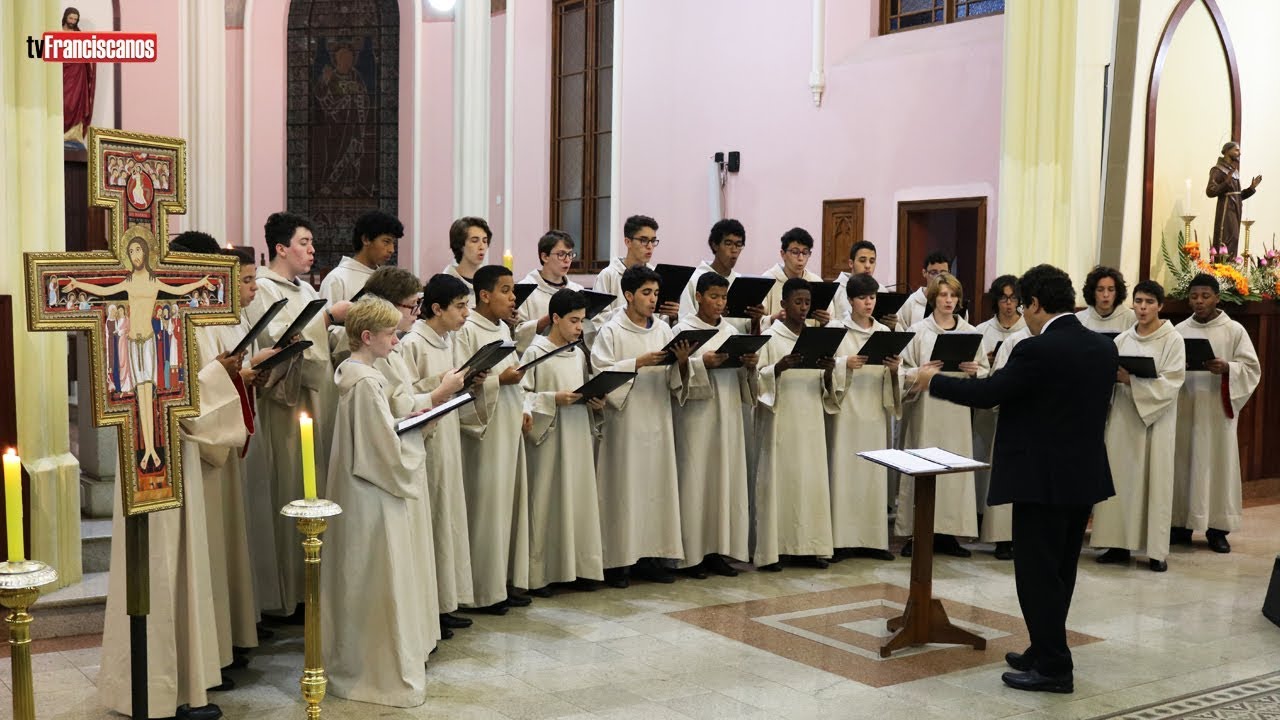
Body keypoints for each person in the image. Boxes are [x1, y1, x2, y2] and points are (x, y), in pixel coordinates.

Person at [910, 264, 1116, 694]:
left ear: (1036, 305)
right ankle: (1045, 648)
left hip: (1041, 479)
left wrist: (934, 382)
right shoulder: (1100, 347)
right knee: (1061, 571)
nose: (1021, 314)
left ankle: (1055, 667)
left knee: (1037, 574)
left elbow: (988, 395)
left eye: (1023, 305)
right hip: (1082, 476)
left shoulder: (1036, 349)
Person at [97, 233, 248, 720]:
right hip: (152, 449)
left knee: (176, 566)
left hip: (173, 451)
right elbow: (161, 385)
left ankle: (179, 684)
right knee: (159, 566)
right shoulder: (154, 315)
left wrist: (222, 375)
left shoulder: (177, 313)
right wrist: (223, 376)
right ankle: (156, 691)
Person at [322, 297, 433, 708]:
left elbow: (376, 435)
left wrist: (405, 423)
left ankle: (365, 661)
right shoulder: (366, 383)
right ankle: (376, 672)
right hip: (373, 493)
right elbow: (383, 452)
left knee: (364, 579)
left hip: (361, 488)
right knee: (377, 578)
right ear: (367, 337)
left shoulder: (356, 374)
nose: (396, 339)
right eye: (389, 334)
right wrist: (418, 431)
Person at [241, 212, 349, 619]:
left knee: (311, 487)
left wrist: (343, 331)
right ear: (281, 248)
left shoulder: (304, 290)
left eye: (312, 243)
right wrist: (326, 319)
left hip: (313, 401)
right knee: (287, 489)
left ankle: (310, 591)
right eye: (304, 242)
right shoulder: (264, 289)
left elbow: (319, 343)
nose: (312, 250)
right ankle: (284, 595)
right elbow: (272, 341)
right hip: (283, 406)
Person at [590, 264, 693, 587]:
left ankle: (652, 556)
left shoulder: (663, 330)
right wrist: (636, 363)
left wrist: (681, 362)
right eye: (646, 293)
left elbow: (677, 380)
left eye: (656, 294)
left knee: (655, 489)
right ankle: (618, 562)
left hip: (657, 418)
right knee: (625, 489)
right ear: (629, 294)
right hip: (626, 422)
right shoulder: (611, 330)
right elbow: (600, 374)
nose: (652, 300)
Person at [398, 275, 477, 635]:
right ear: (436, 308)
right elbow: (405, 395)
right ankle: (429, 610)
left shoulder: (448, 338)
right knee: (431, 521)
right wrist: (443, 384)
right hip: (426, 442)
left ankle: (445, 602)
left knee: (447, 519)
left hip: (447, 438)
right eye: (460, 306)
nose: (466, 313)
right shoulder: (414, 342)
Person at [1091, 280, 1185, 572]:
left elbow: (1172, 382)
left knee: (1154, 481)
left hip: (1156, 420)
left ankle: (1156, 552)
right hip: (1123, 418)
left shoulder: (1172, 339)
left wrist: (1133, 381)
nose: (1142, 308)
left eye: (1148, 302)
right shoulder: (1122, 340)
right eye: (1138, 301)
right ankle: (1117, 545)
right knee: (1121, 480)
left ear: (1160, 305)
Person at [455, 264, 532, 612]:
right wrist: (499, 382)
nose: (513, 297)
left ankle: (503, 579)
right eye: (505, 290)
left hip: (508, 424)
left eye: (513, 290)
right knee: (487, 508)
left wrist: (525, 403)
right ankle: (483, 590)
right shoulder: (467, 330)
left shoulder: (503, 328)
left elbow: (516, 376)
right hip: (483, 432)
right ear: (484, 295)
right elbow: (463, 381)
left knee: (508, 505)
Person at [520, 289, 607, 593]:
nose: (579, 328)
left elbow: (585, 389)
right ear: (555, 318)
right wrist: (552, 399)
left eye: (582, 321)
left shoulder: (580, 353)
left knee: (576, 501)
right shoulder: (535, 351)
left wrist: (595, 402)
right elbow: (522, 396)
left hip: (576, 435)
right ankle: (541, 574)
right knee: (546, 503)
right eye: (573, 321)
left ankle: (580, 567)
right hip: (548, 438)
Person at [672, 272, 757, 577]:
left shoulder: (731, 330)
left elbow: (747, 380)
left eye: (723, 298)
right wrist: (697, 363)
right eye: (714, 297)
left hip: (728, 412)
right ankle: (692, 554)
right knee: (697, 478)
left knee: (723, 480)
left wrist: (749, 365)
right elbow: (673, 371)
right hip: (696, 415)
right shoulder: (683, 329)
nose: (720, 303)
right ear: (698, 296)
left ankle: (718, 550)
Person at [897, 272, 986, 558]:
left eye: (953, 295)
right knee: (922, 463)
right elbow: (902, 371)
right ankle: (918, 533)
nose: (949, 300)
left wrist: (975, 371)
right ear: (934, 298)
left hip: (957, 411)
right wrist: (920, 372)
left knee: (954, 468)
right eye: (943, 295)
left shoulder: (971, 333)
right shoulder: (919, 330)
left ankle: (948, 534)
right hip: (926, 409)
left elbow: (984, 371)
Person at [1171, 273, 1261, 554]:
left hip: (1215, 410)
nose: (1199, 302)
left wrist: (1228, 368)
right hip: (1185, 407)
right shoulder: (1178, 330)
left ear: (1217, 298)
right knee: (1182, 466)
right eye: (1194, 296)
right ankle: (1180, 525)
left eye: (1205, 296)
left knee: (1217, 467)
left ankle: (1217, 529)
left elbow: (1251, 369)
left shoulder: (1234, 330)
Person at [754, 278, 837, 572]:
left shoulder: (817, 337)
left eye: (807, 303)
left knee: (810, 481)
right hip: (782, 419)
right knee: (783, 480)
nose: (803, 308)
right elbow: (756, 379)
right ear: (784, 305)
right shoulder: (771, 337)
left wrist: (828, 372)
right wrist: (779, 367)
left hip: (811, 418)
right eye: (798, 302)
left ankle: (810, 546)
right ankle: (776, 549)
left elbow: (830, 387)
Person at [826, 273, 900, 562]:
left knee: (873, 474)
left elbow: (898, 373)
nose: (868, 303)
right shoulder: (837, 330)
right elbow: (825, 365)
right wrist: (846, 363)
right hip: (846, 412)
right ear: (850, 300)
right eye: (862, 298)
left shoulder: (884, 332)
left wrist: (894, 370)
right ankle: (842, 541)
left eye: (872, 298)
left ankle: (873, 540)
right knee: (845, 473)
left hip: (874, 412)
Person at [972, 275, 1025, 560]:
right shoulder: (982, 330)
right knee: (984, 464)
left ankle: (1007, 532)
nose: (1008, 304)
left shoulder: (1029, 331)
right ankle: (982, 518)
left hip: (1014, 410)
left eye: (1014, 298)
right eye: (1004, 298)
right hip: (987, 411)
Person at [678, 219, 765, 333]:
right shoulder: (694, 279)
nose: (734, 250)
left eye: (739, 245)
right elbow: (686, 323)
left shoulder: (742, 282)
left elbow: (748, 329)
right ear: (715, 245)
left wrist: (755, 319)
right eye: (728, 243)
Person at [514, 230, 592, 354]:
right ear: (545, 257)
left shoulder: (577, 290)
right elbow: (516, 335)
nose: (567, 260)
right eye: (561, 254)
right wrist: (548, 319)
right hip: (537, 359)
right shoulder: (525, 289)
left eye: (570, 254)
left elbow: (587, 335)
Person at [594, 215, 674, 318]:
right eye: (644, 240)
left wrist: (672, 316)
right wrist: (634, 310)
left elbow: (660, 320)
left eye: (653, 241)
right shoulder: (608, 275)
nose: (650, 246)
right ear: (628, 242)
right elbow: (598, 319)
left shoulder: (656, 275)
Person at [319, 209, 403, 303]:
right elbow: (326, 317)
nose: (392, 250)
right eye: (386, 242)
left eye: (393, 243)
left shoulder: (385, 279)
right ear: (366, 239)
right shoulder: (337, 279)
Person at [760, 227, 828, 331]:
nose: (800, 258)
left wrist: (825, 321)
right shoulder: (767, 280)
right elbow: (753, 321)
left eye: (805, 253)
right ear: (783, 254)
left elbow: (832, 320)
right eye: (795, 252)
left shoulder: (816, 281)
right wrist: (773, 319)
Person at [1206, 142, 1262, 256]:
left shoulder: (1234, 171)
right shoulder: (1218, 170)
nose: (1239, 153)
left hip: (1235, 211)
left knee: (1234, 239)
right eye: (1236, 150)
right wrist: (1226, 182)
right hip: (1225, 212)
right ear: (1226, 151)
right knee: (1225, 240)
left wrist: (1251, 188)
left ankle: (1231, 271)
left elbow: (1237, 196)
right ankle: (1222, 269)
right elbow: (1210, 191)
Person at [831, 240, 895, 328]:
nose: (868, 266)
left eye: (872, 261)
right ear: (851, 263)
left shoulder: (881, 290)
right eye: (862, 261)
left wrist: (892, 324)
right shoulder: (836, 289)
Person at [896, 251, 951, 331]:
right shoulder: (911, 301)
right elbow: (901, 331)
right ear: (924, 273)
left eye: (943, 273)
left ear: (949, 273)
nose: (939, 277)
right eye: (934, 273)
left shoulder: (953, 302)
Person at [444, 216, 492, 307]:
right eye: (474, 241)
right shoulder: (446, 283)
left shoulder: (490, 281)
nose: (482, 247)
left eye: (485, 241)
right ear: (460, 245)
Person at [1076, 266, 1135, 333]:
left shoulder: (1131, 318)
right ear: (1092, 292)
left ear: (1117, 292)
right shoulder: (1079, 319)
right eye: (1100, 290)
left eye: (1111, 290)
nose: (1106, 295)